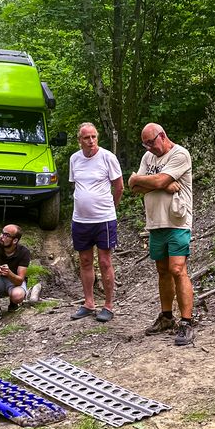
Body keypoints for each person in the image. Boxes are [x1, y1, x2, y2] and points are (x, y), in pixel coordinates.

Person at [127, 124, 195, 346]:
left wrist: (147, 181)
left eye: (151, 142)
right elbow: (133, 186)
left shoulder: (180, 154)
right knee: (162, 270)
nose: (148, 147)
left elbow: (149, 181)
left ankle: (186, 322)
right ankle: (166, 316)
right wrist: (160, 184)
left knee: (177, 268)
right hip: (155, 222)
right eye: (145, 144)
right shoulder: (148, 157)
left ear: (162, 136)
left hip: (177, 221)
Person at [68, 123, 124, 322]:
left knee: (105, 261)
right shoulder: (74, 159)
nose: (91, 141)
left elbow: (119, 187)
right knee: (84, 261)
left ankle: (108, 305)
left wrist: (111, 208)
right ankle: (89, 302)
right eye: (86, 138)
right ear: (79, 140)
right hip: (80, 220)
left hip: (104, 219)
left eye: (93, 137)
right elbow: (77, 185)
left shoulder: (108, 157)